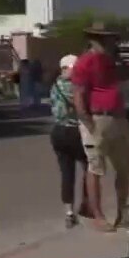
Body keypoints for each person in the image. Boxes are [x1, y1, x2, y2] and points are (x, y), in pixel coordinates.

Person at [70, 23, 129, 231]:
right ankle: (98, 215)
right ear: (93, 39)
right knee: (96, 168)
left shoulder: (112, 62)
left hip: (118, 118)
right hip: (97, 118)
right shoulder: (84, 63)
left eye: (111, 38)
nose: (109, 42)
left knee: (125, 167)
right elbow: (78, 95)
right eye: (104, 39)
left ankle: (123, 211)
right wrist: (88, 123)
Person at [50, 54, 87, 227]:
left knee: (66, 173)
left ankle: (69, 212)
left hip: (58, 131)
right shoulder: (77, 87)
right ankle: (87, 203)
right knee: (90, 167)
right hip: (76, 130)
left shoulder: (55, 85)